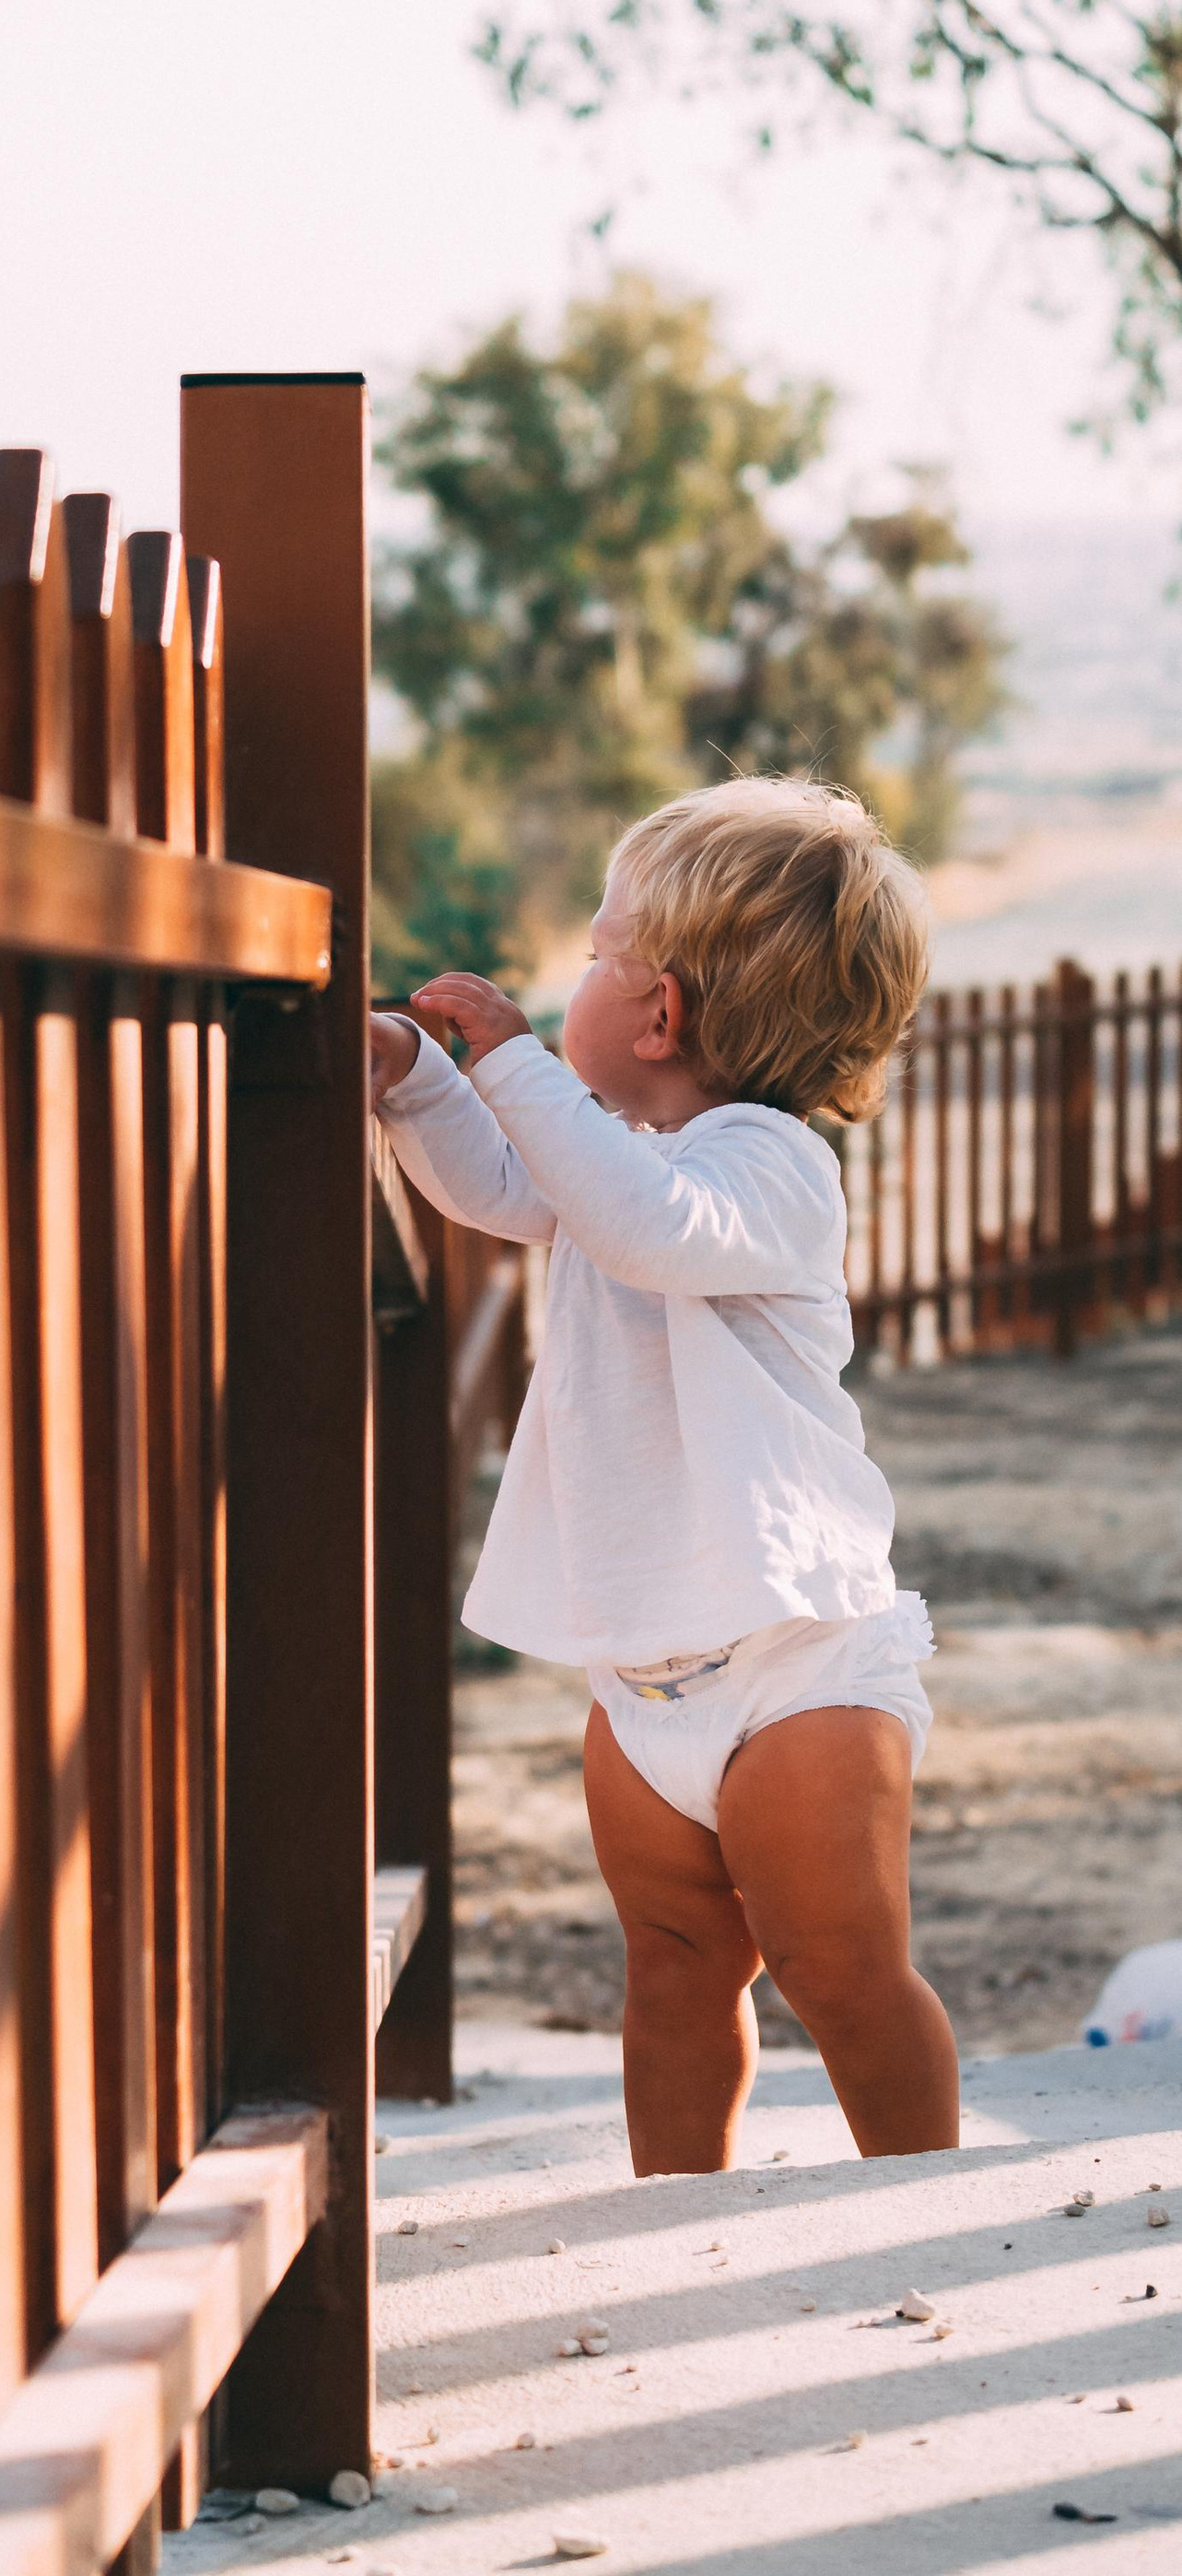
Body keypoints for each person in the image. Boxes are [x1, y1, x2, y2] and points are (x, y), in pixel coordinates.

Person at [370, 776, 956, 2173]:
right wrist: (418, 1084)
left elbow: (643, 1229)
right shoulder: (621, 1155)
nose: (569, 977)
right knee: (675, 1969)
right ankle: (678, 2216)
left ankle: (930, 2200)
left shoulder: (766, 1169)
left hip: (795, 1665)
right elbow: (507, 1188)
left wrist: (512, 1060)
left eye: (596, 951)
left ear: (662, 1014)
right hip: (645, 1673)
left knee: (844, 1976)